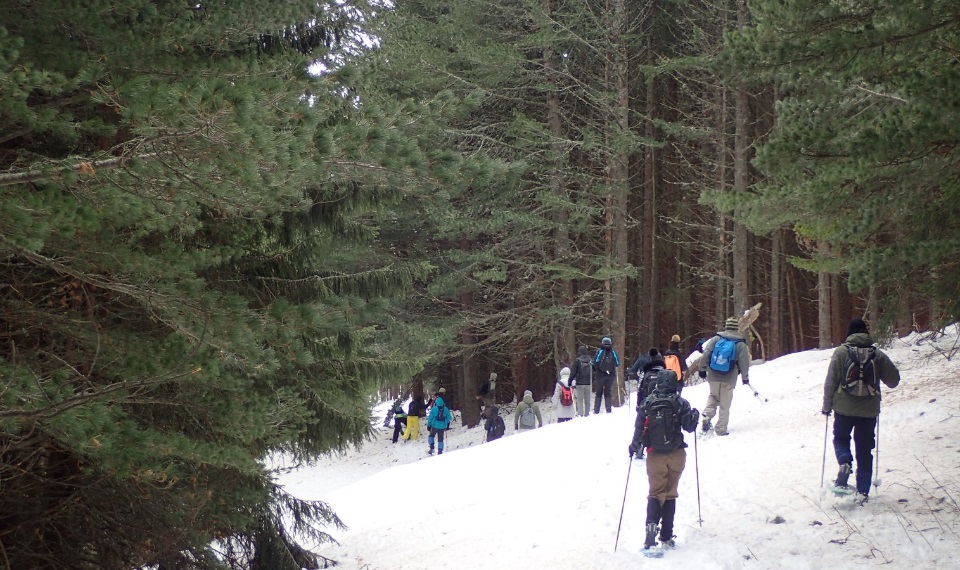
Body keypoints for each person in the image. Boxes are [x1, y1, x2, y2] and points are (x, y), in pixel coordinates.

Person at [822, 318, 900, 503]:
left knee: (841, 439)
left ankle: (845, 463)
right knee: (864, 450)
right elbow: (894, 380)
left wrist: (826, 407)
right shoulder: (877, 355)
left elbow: (830, 382)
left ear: (849, 333)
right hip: (868, 411)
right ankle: (863, 492)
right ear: (866, 333)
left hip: (843, 409)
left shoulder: (841, 352)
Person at [628, 370, 699, 551]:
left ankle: (651, 525)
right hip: (676, 454)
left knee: (655, 492)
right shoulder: (680, 402)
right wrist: (695, 415)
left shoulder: (647, 403)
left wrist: (634, 447)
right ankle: (666, 536)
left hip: (655, 455)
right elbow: (689, 427)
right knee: (670, 493)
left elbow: (638, 428)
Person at [697, 317, 751, 436]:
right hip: (729, 377)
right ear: (736, 328)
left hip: (713, 374)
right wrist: (745, 377)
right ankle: (721, 429)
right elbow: (744, 362)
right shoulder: (740, 343)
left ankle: (707, 414)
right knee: (725, 404)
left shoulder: (716, 339)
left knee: (713, 396)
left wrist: (701, 369)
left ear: (726, 327)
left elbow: (706, 353)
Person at [593, 336, 620, 414]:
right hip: (610, 375)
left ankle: (596, 410)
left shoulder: (600, 351)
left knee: (598, 392)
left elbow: (595, 362)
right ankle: (608, 409)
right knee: (607, 392)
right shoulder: (613, 352)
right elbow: (617, 363)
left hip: (600, 375)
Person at [569, 345, 593, 417]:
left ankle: (580, 414)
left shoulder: (578, 361)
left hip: (579, 383)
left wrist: (570, 381)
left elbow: (573, 372)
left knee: (580, 399)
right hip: (588, 382)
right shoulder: (590, 360)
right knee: (587, 400)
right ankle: (587, 414)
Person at [427, 388, 451, 455]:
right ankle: (440, 451)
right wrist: (446, 424)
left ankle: (432, 446)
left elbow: (430, 418)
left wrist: (429, 425)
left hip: (434, 425)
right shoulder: (445, 409)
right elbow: (449, 418)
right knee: (441, 439)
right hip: (442, 426)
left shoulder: (434, 408)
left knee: (431, 436)